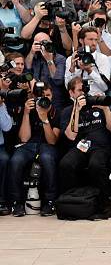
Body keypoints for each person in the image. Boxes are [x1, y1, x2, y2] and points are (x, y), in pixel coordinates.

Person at [59, 76, 111, 216]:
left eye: (84, 90)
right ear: (71, 93)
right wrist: (76, 110)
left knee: (96, 164)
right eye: (79, 91)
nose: (82, 94)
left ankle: (105, 202)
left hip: (100, 146)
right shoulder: (67, 111)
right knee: (66, 164)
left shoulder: (97, 104)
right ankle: (71, 201)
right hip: (79, 147)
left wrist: (106, 109)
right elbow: (71, 135)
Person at [7, 82, 61, 217]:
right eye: (41, 96)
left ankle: (50, 201)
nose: (44, 100)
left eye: (48, 96)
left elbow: (52, 141)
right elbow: (24, 138)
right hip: (28, 145)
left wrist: (45, 119)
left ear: (52, 96)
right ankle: (16, 203)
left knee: (47, 159)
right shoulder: (28, 109)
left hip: (47, 146)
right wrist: (26, 114)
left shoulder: (56, 111)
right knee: (16, 160)